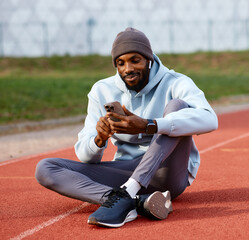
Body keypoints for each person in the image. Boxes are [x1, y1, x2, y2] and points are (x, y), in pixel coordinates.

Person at [35, 27, 218, 228]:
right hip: (126, 172)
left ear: (148, 59)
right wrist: (99, 139)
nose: (128, 68)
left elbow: (210, 119)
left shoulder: (175, 82)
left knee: (178, 107)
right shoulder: (101, 90)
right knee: (46, 168)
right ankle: (127, 202)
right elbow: (86, 157)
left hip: (167, 172)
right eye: (120, 63)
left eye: (135, 60)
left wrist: (150, 125)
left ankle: (130, 191)